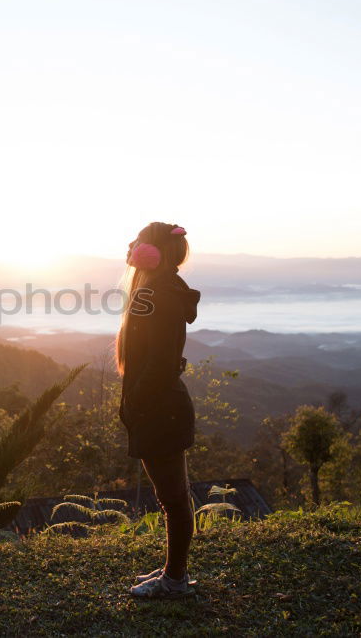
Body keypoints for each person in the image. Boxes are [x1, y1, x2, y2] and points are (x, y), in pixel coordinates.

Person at [116, 221, 201, 600]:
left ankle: (175, 581)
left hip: (160, 411)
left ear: (150, 253)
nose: (132, 249)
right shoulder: (159, 289)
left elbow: (161, 363)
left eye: (138, 244)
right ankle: (174, 571)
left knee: (173, 500)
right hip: (160, 409)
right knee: (174, 497)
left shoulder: (161, 294)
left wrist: (134, 402)